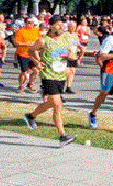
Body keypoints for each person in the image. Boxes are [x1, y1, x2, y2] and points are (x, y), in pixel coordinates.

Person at [22, 15, 77, 147]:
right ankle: (62, 135)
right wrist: (37, 62)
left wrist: (70, 55)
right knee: (58, 105)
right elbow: (30, 51)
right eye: (58, 24)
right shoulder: (43, 41)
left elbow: (71, 54)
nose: (61, 27)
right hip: (47, 75)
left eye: (62, 24)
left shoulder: (66, 39)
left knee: (52, 103)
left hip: (61, 76)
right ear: (51, 26)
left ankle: (31, 116)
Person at [13, 16, 40, 93]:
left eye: (32, 23)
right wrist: (27, 44)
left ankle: (30, 84)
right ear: (25, 23)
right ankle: (21, 86)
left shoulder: (36, 30)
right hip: (23, 54)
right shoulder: (20, 31)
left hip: (33, 55)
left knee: (36, 71)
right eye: (29, 23)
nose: (31, 24)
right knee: (24, 72)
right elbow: (16, 43)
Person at [65, 20, 82, 94]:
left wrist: (81, 48)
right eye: (72, 26)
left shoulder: (75, 35)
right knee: (67, 72)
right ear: (69, 27)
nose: (73, 28)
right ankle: (61, 86)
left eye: (74, 27)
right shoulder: (65, 34)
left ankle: (68, 87)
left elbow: (77, 44)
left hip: (74, 56)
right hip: (66, 56)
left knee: (72, 71)